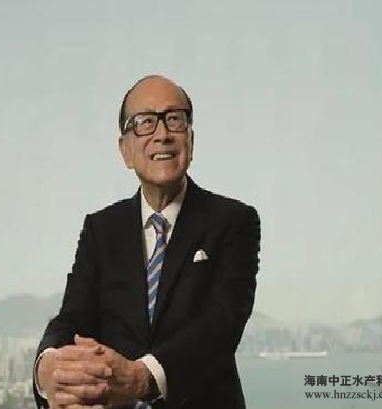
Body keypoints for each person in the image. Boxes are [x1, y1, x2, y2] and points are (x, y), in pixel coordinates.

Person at [32, 75, 261, 409]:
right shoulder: (101, 229)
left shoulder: (234, 221)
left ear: (191, 139)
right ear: (125, 150)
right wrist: (47, 370)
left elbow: (222, 324)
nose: (162, 134)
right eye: (144, 122)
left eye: (174, 119)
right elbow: (72, 318)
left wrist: (141, 378)